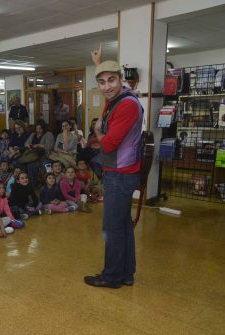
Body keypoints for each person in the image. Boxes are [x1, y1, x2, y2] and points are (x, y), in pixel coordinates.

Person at [83, 58, 143, 289]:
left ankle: (112, 277)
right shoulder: (120, 98)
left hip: (120, 174)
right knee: (123, 226)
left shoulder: (127, 104)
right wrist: (100, 63)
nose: (106, 86)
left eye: (111, 80)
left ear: (121, 79)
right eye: (101, 82)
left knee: (112, 229)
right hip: (120, 172)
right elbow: (108, 113)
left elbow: (107, 145)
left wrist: (98, 132)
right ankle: (126, 274)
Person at [22, 122, 55, 187]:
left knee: (38, 165)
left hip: (44, 154)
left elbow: (50, 146)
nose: (38, 130)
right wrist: (28, 145)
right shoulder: (33, 134)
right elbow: (26, 143)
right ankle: (27, 183)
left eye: (40, 128)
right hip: (32, 154)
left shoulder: (48, 134)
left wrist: (39, 145)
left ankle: (37, 184)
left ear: (44, 128)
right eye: (37, 129)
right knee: (27, 164)